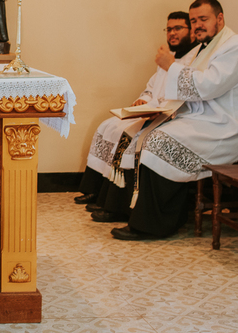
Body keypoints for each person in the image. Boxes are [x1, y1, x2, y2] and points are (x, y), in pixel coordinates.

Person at [109, 0, 238, 241]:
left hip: (229, 127)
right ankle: (154, 216)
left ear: (220, 18)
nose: (198, 26)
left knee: (159, 140)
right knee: (151, 133)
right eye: (194, 21)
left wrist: (170, 65)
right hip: (207, 120)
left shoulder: (236, 47)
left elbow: (207, 86)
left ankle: (155, 225)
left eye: (203, 19)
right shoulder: (210, 46)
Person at [76, 12, 194, 221]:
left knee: (130, 138)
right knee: (108, 126)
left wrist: (157, 109)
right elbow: (151, 88)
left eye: (178, 28)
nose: (172, 33)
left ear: (191, 31)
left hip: (167, 115)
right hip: (151, 109)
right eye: (169, 29)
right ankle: (97, 190)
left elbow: (186, 96)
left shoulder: (191, 61)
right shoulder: (166, 58)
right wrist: (143, 100)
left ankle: (117, 205)